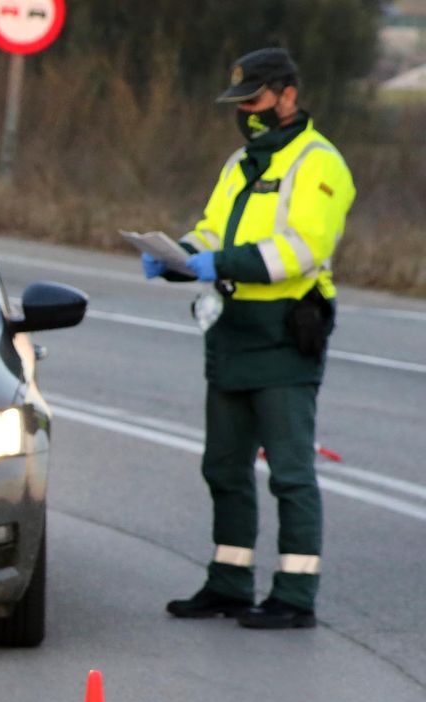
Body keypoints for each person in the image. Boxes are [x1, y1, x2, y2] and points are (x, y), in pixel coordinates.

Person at [140, 47, 355, 630]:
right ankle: (229, 582)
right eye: (240, 103)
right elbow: (215, 228)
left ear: (288, 94)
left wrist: (218, 262)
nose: (247, 112)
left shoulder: (320, 163)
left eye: (255, 100)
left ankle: (296, 593)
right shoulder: (241, 161)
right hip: (232, 331)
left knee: (289, 471)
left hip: (286, 334)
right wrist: (180, 254)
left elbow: (302, 247)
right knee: (224, 467)